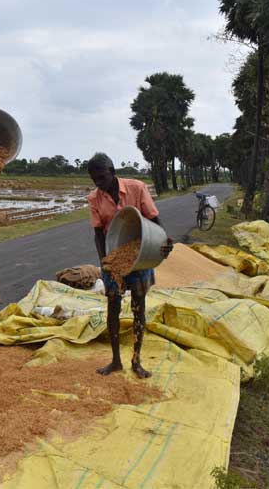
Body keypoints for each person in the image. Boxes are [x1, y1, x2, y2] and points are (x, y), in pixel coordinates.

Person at [86, 153, 172, 378]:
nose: (99, 183)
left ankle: (136, 361)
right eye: (94, 179)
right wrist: (105, 262)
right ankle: (115, 361)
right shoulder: (94, 198)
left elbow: (153, 218)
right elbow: (98, 233)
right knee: (112, 308)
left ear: (113, 172)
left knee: (138, 308)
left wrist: (164, 240)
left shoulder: (136, 187)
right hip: (115, 255)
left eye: (102, 177)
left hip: (141, 251)